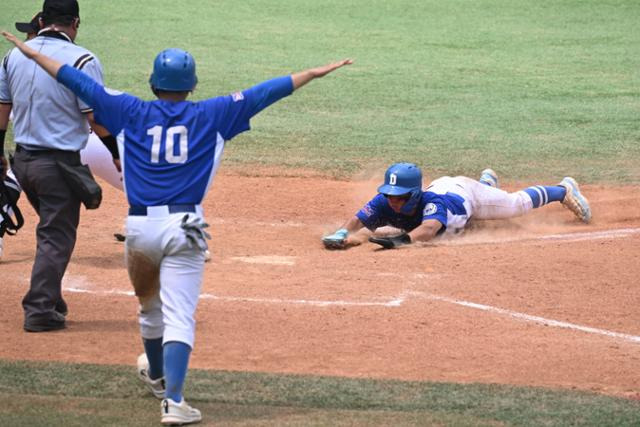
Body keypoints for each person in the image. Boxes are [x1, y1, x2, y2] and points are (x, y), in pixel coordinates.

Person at [2, 27, 352, 424]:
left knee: (150, 312)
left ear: (153, 83)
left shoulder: (128, 110)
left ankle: (156, 375)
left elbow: (69, 75)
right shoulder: (215, 113)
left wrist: (27, 51)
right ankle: (174, 401)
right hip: (185, 225)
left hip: (139, 229)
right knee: (180, 316)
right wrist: (315, 72)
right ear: (192, 85)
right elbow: (267, 91)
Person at [0, 0, 119, 332]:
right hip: (57, 167)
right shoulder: (84, 60)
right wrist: (115, 151)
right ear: (75, 23)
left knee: (53, 228)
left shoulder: (14, 55)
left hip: (22, 163)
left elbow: (2, 109)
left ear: (41, 19)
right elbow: (95, 117)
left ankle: (51, 297)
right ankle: (39, 309)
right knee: (57, 235)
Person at [322, 162, 591, 250]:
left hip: (466, 197)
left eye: (399, 195)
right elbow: (359, 218)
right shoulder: (385, 201)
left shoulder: (433, 204)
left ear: (414, 194)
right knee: (474, 221)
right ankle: (487, 184)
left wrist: (397, 242)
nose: (392, 200)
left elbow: (427, 231)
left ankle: (562, 190)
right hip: (450, 186)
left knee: (514, 205)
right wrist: (342, 233)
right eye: (390, 194)